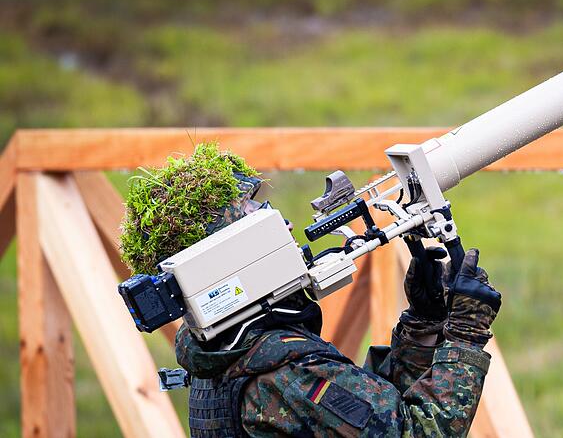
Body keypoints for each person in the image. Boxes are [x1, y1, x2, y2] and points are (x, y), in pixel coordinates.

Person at [120, 143, 502, 437]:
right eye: (262, 221)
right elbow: (415, 432)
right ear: (226, 260)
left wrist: (424, 322)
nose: (285, 226)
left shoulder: (225, 351)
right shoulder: (288, 379)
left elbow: (376, 418)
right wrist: (465, 334)